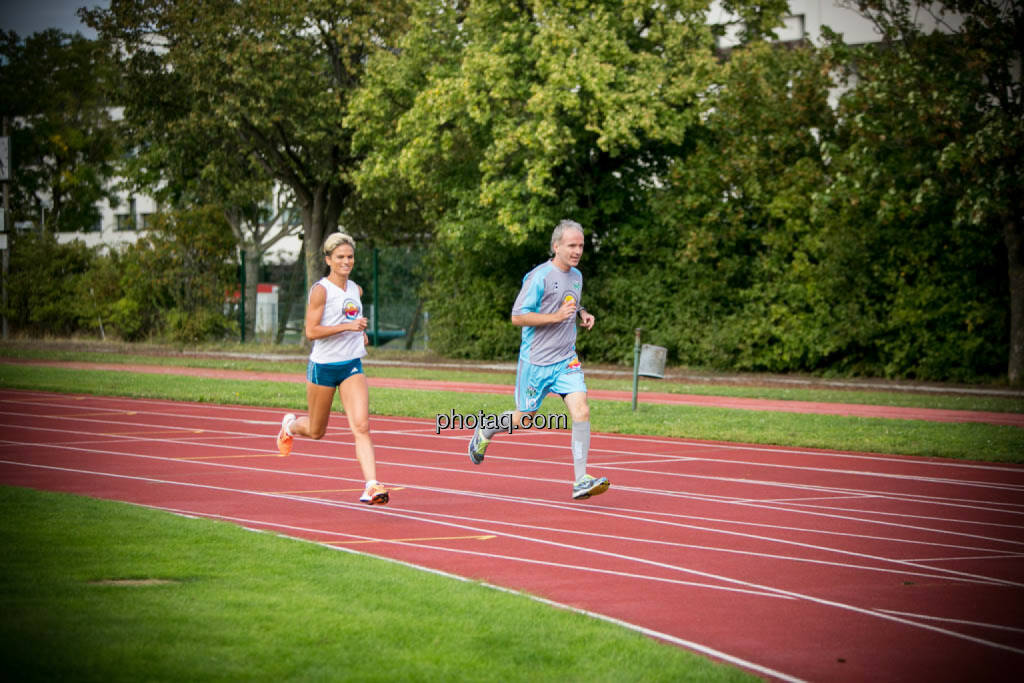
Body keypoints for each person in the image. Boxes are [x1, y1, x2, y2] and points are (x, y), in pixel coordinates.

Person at [468, 219, 610, 500]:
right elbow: (518, 316)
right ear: (556, 246)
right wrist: (555, 317)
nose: (577, 250)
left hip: (565, 359)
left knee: (581, 410)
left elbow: (569, 298)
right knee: (523, 418)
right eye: (572, 245)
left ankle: (581, 479)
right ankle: (486, 429)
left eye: (581, 245)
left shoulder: (577, 276)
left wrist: (582, 312)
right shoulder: (539, 277)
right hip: (536, 362)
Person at [276, 232, 389, 505]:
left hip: (351, 365)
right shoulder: (321, 290)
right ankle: (290, 426)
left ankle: (372, 485)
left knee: (362, 426)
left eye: (350, 257)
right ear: (328, 259)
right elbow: (311, 331)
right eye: (340, 257)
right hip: (323, 368)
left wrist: (360, 335)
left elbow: (353, 322)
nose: (346, 261)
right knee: (317, 431)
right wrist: (348, 327)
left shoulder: (356, 290)